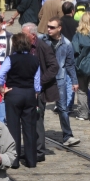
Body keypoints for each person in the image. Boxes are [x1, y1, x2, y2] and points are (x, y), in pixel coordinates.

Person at [0, 33, 41, 168]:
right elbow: (37, 80)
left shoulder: (11, 59)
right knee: (30, 128)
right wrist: (36, 91)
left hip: (14, 93)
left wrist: (1, 89)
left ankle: (14, 160)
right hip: (29, 93)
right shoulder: (34, 59)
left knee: (13, 128)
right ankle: (31, 160)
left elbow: (0, 74)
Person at [20, 23, 60, 161]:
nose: (22, 37)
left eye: (24, 34)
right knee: (26, 120)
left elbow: (54, 67)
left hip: (39, 91)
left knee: (37, 121)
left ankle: (39, 152)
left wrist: (40, 81)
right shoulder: (22, 46)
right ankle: (29, 149)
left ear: (33, 35)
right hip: (25, 88)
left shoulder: (43, 47)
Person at [43, 19, 80, 146]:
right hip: (43, 79)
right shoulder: (43, 41)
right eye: (48, 27)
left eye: (52, 27)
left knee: (63, 108)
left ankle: (67, 136)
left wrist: (74, 81)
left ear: (59, 28)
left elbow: (70, 64)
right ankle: (38, 135)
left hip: (60, 79)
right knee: (40, 108)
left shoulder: (67, 44)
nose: (49, 29)